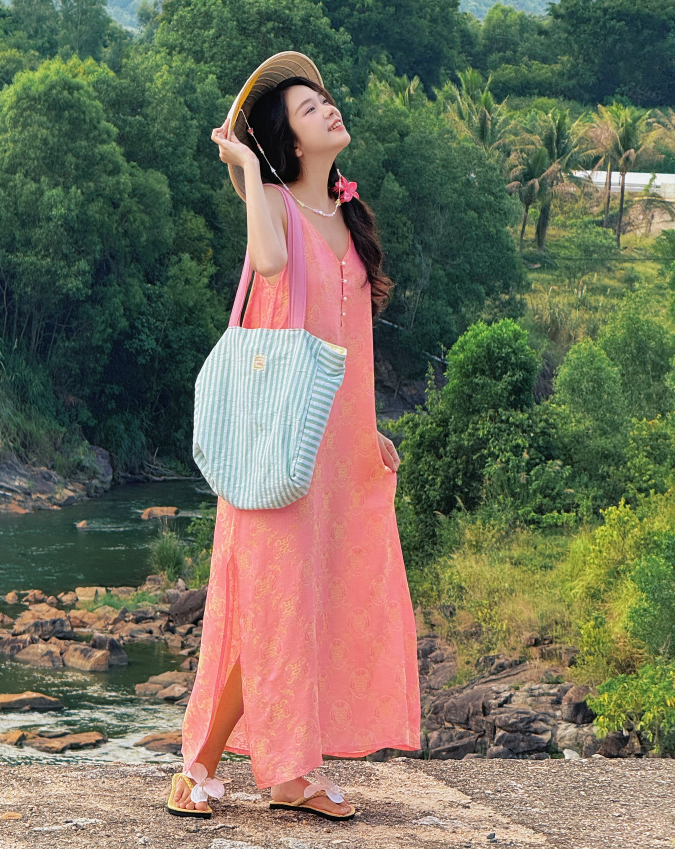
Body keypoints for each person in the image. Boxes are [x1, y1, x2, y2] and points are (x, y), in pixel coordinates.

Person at [167, 52, 421, 823]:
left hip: (338, 446)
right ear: (289, 139)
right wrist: (248, 167)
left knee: (317, 604)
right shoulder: (275, 202)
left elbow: (355, 341)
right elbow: (271, 264)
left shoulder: (348, 215)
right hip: (277, 436)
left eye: (326, 100)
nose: (329, 110)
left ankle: (288, 773)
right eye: (310, 108)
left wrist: (368, 431)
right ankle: (198, 766)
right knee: (271, 606)